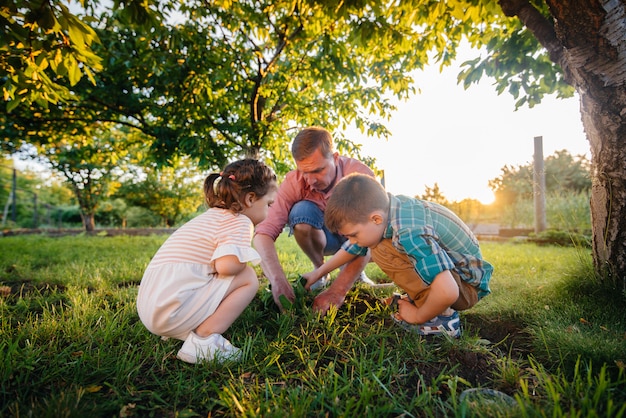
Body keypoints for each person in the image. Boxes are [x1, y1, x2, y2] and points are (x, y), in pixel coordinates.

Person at [302, 173, 493, 337]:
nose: (352, 241)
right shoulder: (390, 213)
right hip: (457, 275)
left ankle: (442, 319)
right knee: (374, 244)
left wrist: (417, 316)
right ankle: (421, 299)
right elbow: (352, 249)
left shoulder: (408, 232)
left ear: (375, 218)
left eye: (353, 235)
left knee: (380, 249)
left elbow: (448, 291)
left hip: (466, 286)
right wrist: (318, 273)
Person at [137, 159, 278, 364]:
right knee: (247, 277)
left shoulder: (210, 218)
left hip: (152, 308)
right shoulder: (239, 221)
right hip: (171, 311)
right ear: (250, 199)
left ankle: (182, 329)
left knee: (223, 275)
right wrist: (245, 261)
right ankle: (203, 339)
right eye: (269, 204)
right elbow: (226, 266)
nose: (269, 211)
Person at [253, 126, 375, 312]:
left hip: (362, 241)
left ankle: (355, 272)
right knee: (301, 211)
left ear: (335, 158)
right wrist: (278, 281)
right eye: (304, 172)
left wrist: (337, 291)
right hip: (327, 238)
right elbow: (263, 233)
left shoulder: (358, 176)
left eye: (318, 170)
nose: (310, 180)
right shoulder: (293, 182)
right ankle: (320, 273)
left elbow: (369, 236)